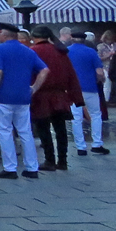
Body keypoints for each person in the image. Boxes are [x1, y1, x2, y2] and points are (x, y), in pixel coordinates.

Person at [0, 22, 47, 179]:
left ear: (4, 34)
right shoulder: (28, 51)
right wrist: (34, 88)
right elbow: (44, 70)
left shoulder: (0, 49)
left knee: (5, 131)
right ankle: (32, 166)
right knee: (25, 131)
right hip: (23, 97)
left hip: (4, 96)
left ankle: (10, 167)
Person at [28, 26, 83, 172]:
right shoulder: (61, 51)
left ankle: (49, 160)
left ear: (35, 36)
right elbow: (72, 75)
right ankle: (63, 160)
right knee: (60, 129)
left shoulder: (33, 51)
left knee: (44, 129)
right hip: (59, 96)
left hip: (41, 95)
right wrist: (77, 98)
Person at [66, 30, 109, 156]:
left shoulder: (66, 52)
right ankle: (97, 143)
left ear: (71, 38)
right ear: (84, 40)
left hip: (73, 88)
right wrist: (101, 80)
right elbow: (100, 72)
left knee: (76, 117)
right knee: (95, 114)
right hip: (90, 88)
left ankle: (80, 147)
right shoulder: (91, 52)